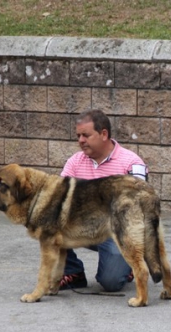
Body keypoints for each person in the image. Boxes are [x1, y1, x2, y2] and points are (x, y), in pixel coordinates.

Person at [59, 109, 148, 292]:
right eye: (78, 136)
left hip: (119, 231)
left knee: (111, 283)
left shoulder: (132, 162)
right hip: (86, 226)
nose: (80, 140)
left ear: (104, 134)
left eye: (86, 135)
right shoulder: (75, 162)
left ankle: (129, 265)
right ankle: (73, 272)